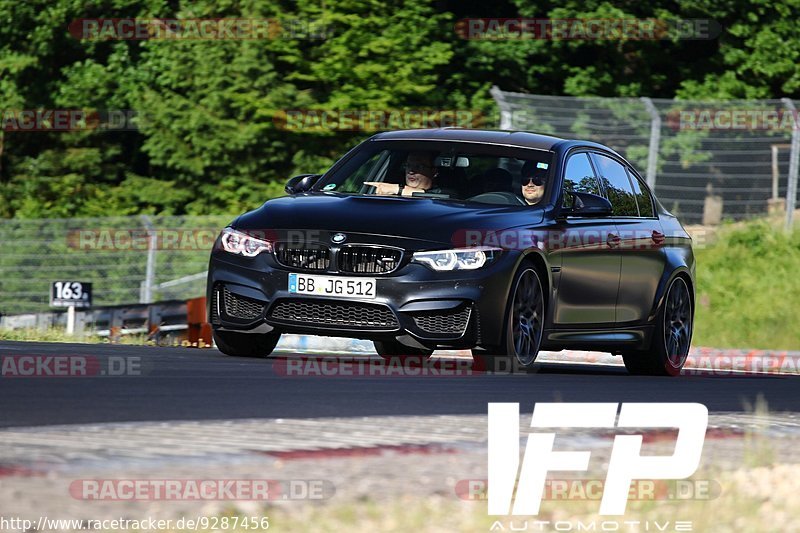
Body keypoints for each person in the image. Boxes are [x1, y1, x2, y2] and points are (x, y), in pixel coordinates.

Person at [364, 151, 441, 196]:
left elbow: (445, 196)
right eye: (408, 165)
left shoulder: (445, 197)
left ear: (434, 172)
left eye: (418, 166)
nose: (411, 171)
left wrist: (398, 189)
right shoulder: (390, 196)